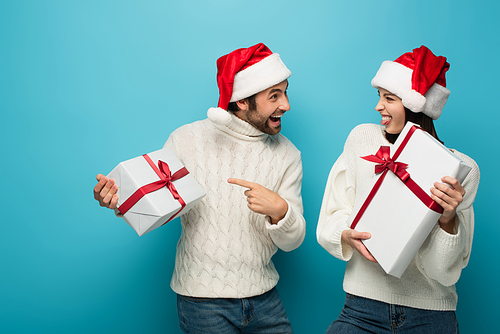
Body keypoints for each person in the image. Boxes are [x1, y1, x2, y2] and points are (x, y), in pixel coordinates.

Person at [94, 43, 305, 333]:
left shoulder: (288, 155)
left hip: (265, 298)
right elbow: (155, 201)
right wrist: (118, 201)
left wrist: (281, 212)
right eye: (274, 96)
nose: (286, 105)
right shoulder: (187, 140)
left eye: (285, 92)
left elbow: (292, 242)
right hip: (202, 302)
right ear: (242, 100)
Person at [317, 46, 480, 333]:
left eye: (389, 98)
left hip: (431, 315)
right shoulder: (362, 140)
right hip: (361, 307)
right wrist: (345, 232)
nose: (378, 106)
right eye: (379, 97)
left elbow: (443, 271)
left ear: (415, 105)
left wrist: (447, 219)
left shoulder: (460, 169)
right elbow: (333, 212)